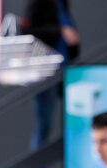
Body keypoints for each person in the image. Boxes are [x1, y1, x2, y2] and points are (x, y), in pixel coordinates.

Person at [21, 0, 80, 150]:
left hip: (65, 69)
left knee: (76, 117)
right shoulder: (37, 3)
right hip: (45, 70)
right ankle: (36, 166)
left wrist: (72, 40)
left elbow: (69, 27)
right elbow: (29, 31)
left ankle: (73, 159)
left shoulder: (62, 3)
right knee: (44, 123)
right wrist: (60, 31)